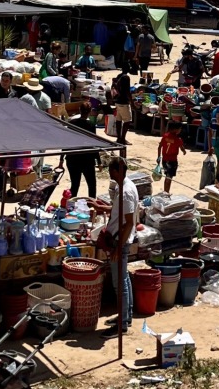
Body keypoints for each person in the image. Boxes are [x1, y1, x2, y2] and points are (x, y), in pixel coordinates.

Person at [88, 157, 138, 334]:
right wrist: (100, 206)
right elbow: (118, 210)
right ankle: (126, 316)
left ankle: (122, 324)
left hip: (120, 240)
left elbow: (130, 222)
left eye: (112, 172)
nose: (110, 176)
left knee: (120, 283)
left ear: (118, 170)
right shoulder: (120, 186)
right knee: (123, 279)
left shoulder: (126, 191)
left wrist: (117, 248)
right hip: (118, 238)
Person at [66, 101, 98, 198]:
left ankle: (70, 207)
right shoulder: (91, 125)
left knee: (75, 185)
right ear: (90, 112)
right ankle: (92, 207)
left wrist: (61, 159)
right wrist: (99, 161)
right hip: (87, 159)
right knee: (92, 185)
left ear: (79, 110)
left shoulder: (72, 123)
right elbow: (94, 144)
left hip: (73, 158)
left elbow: (66, 142)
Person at [158, 120, 187, 194]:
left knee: (167, 176)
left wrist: (159, 157)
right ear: (176, 129)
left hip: (164, 160)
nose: (180, 130)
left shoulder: (165, 136)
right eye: (180, 129)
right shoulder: (178, 140)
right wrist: (184, 151)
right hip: (172, 161)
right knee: (169, 177)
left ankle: (165, 191)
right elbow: (181, 147)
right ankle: (166, 192)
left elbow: (159, 146)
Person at [113, 70, 133, 145]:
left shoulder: (119, 77)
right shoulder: (126, 77)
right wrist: (132, 103)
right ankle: (123, 139)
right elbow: (128, 91)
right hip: (124, 103)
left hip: (118, 102)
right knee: (127, 121)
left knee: (119, 120)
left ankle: (119, 137)